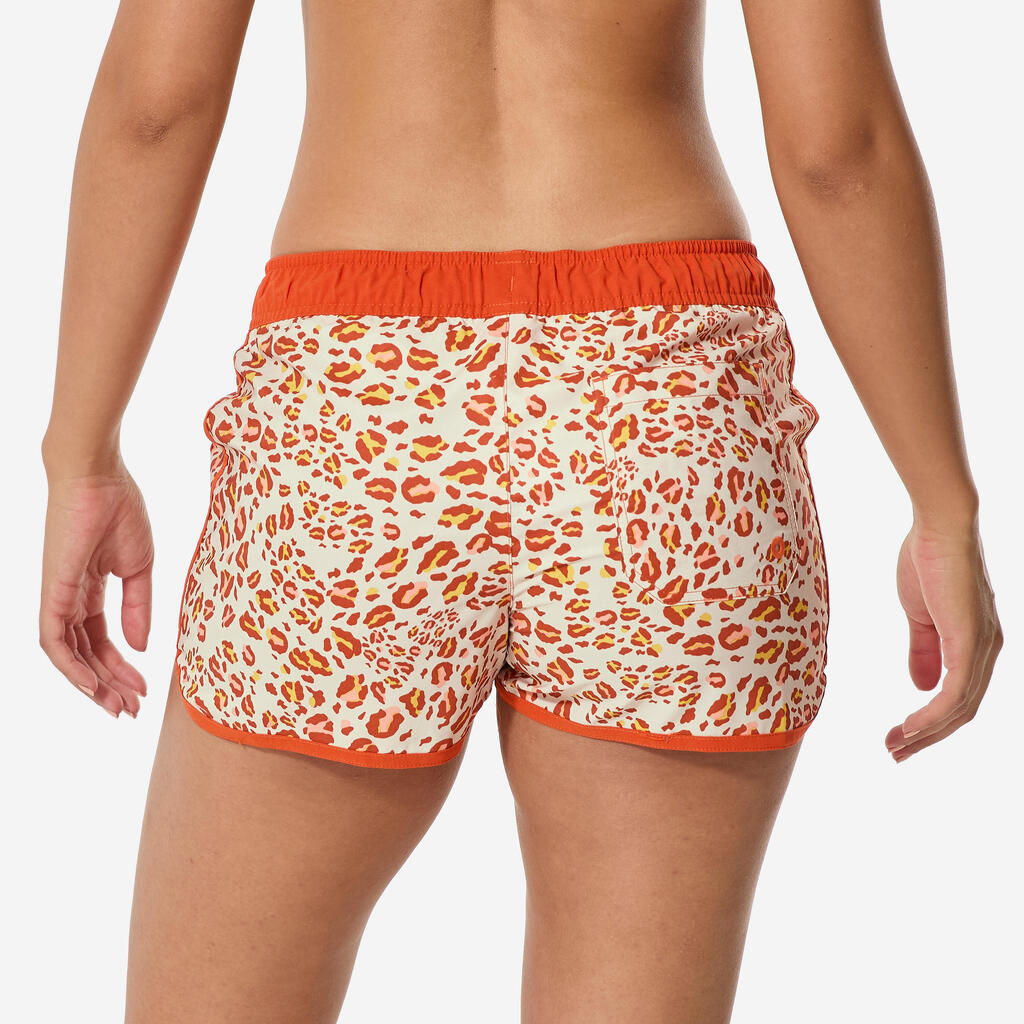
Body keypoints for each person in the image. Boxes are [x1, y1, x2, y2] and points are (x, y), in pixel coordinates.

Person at [38, 0, 1002, 1021]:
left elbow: (155, 107)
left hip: (361, 415)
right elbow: (836, 148)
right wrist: (940, 499)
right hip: (663, 414)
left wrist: (82, 455)